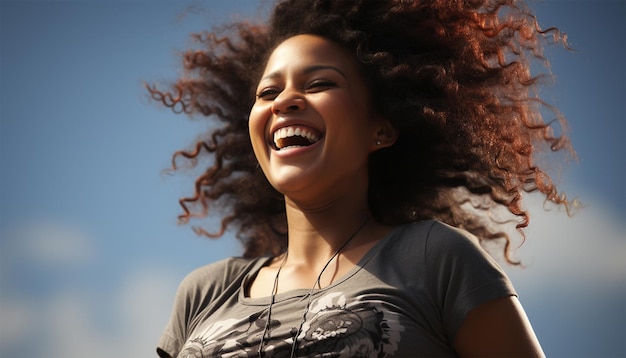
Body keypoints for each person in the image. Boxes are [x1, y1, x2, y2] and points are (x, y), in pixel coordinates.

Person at [149, 0, 574, 357]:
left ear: (381, 129)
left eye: (318, 84)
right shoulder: (205, 292)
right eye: (267, 93)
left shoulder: (436, 258)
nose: (285, 101)